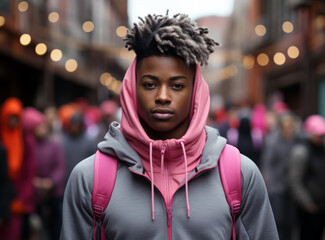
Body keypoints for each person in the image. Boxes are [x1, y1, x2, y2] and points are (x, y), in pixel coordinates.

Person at [60, 13, 278, 239]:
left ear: (195, 93)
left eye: (176, 85)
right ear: (132, 90)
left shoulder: (240, 174)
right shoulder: (90, 178)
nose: (163, 96)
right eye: (150, 84)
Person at [261, 112, 299, 240]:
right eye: (286, 127)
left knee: (291, 221)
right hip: (277, 185)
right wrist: (271, 186)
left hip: (291, 185)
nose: (289, 130)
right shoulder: (272, 141)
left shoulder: (296, 140)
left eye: (291, 127)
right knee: (279, 219)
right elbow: (267, 164)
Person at [289, 114, 325, 240]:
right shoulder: (301, 151)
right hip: (309, 208)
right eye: (318, 135)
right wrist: (308, 204)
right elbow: (294, 181)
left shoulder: (321, 149)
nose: (321, 138)